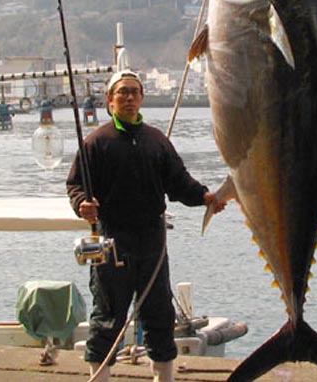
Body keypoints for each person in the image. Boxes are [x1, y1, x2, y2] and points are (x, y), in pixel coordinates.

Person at [67, 70, 226, 382]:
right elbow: (76, 187)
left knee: (159, 314)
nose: (128, 98)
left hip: (152, 240)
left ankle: (163, 377)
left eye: (134, 92)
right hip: (113, 239)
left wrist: (205, 197)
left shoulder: (157, 140)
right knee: (108, 316)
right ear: (109, 100)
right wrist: (82, 205)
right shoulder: (96, 143)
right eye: (122, 92)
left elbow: (179, 182)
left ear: (141, 98)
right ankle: (100, 376)